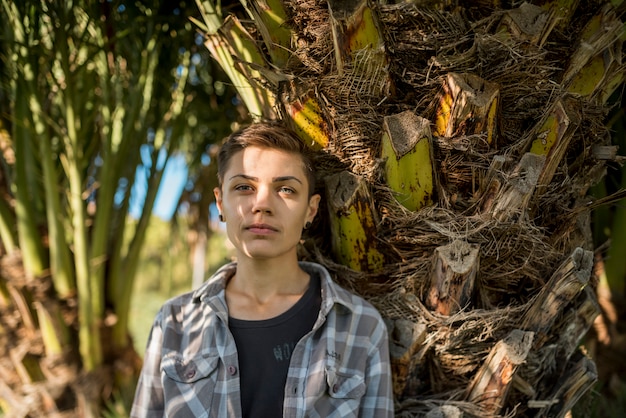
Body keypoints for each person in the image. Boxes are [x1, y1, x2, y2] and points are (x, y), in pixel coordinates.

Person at [130, 122, 394, 417]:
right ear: (220, 202)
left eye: (286, 189)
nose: (262, 204)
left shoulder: (361, 327)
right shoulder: (174, 323)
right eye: (244, 187)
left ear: (311, 209)